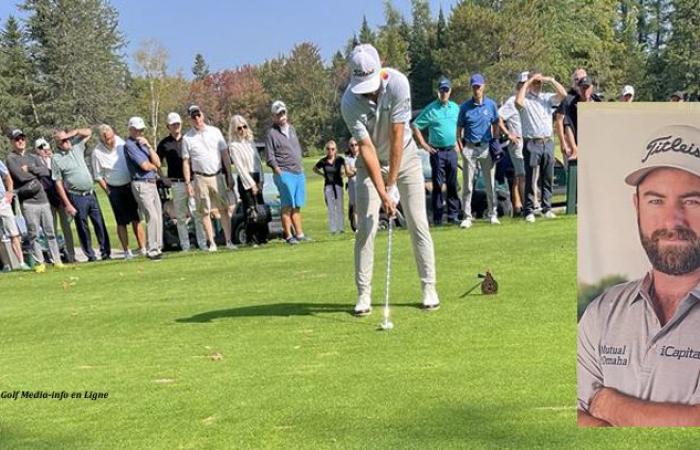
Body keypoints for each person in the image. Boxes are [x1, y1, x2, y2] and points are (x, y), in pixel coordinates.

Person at [578, 124, 700, 427]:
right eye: (655, 200)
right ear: (637, 207)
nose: (672, 220)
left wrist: (613, 406)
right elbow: (574, 416)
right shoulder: (604, 311)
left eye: (693, 201)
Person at [340, 43, 439, 315]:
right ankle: (364, 295)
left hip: (405, 158)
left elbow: (398, 135)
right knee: (366, 228)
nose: (369, 91)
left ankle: (429, 287)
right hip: (369, 165)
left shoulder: (398, 84)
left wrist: (392, 184)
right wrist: (384, 192)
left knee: (418, 222)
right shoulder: (349, 101)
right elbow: (367, 149)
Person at [6, 129, 64, 271]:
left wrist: (30, 168)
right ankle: (40, 263)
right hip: (28, 202)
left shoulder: (33, 157)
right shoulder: (11, 159)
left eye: (22, 139)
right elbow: (20, 177)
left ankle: (57, 260)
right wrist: (35, 177)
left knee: (50, 232)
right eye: (17, 139)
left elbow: (45, 172)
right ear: (12, 142)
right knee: (34, 234)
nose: (20, 141)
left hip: (43, 200)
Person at [515, 70, 568, 223]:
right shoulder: (524, 98)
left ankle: (547, 208)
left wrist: (550, 79)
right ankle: (529, 210)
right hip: (532, 142)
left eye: (539, 83)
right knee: (531, 178)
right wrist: (528, 82)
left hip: (548, 141)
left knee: (548, 177)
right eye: (535, 83)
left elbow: (563, 95)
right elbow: (518, 103)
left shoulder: (546, 98)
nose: (537, 85)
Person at [182, 105, 236, 252]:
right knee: (204, 211)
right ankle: (212, 243)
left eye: (198, 115)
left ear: (202, 115)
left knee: (224, 208)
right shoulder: (187, 138)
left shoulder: (215, 132)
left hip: (217, 175)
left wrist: (229, 175)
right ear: (190, 119)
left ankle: (229, 241)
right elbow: (186, 162)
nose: (197, 119)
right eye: (194, 117)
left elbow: (225, 154)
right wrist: (188, 183)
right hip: (200, 178)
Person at [52, 127, 111, 262]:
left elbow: (89, 132)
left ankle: (105, 252)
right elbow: (58, 183)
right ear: (57, 143)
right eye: (61, 141)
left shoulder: (76, 146)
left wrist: (72, 133)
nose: (65, 142)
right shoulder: (56, 158)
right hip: (76, 196)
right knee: (83, 227)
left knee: (99, 223)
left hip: (91, 194)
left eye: (66, 139)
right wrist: (67, 204)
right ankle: (90, 255)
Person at [412, 76, 461, 226]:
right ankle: (438, 216)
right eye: (441, 90)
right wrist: (425, 145)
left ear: (450, 91)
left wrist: (459, 143)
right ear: (438, 92)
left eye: (446, 90)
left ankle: (453, 215)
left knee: (453, 184)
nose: (444, 93)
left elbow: (461, 126)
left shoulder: (455, 107)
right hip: (437, 152)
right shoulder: (431, 109)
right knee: (438, 185)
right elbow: (415, 125)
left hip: (452, 150)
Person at [92, 124, 146, 260]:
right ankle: (127, 251)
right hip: (114, 188)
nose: (110, 141)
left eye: (110, 137)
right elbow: (98, 176)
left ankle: (143, 248)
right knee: (121, 222)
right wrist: (108, 190)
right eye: (106, 139)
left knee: (136, 218)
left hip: (129, 184)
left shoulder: (122, 144)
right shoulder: (97, 152)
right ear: (101, 139)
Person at [157, 112, 207, 252]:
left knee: (196, 213)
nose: (176, 126)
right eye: (173, 125)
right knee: (180, 216)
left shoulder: (188, 139)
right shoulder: (164, 144)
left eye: (178, 124)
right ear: (168, 126)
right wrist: (162, 177)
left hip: (191, 181)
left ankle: (202, 243)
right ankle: (185, 246)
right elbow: (156, 162)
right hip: (176, 183)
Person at [456, 73, 501, 227]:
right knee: (468, 185)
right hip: (470, 147)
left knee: (490, 184)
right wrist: (461, 147)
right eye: (474, 87)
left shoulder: (491, 105)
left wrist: (495, 139)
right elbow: (459, 128)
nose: (476, 90)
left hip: (486, 147)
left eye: (479, 87)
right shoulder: (465, 107)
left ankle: (492, 213)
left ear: (483, 87)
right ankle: (467, 216)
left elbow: (496, 122)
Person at [265, 100, 310, 245]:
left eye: (283, 113)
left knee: (297, 205)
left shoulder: (292, 129)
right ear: (274, 116)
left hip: (298, 172)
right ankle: (289, 236)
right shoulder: (271, 133)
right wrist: (279, 172)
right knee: (287, 206)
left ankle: (300, 234)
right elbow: (270, 157)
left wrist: (301, 166)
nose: (282, 116)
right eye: (279, 114)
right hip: (284, 173)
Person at [123, 117, 163, 261]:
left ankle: (158, 247)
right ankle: (152, 249)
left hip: (152, 182)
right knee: (151, 215)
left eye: (141, 130)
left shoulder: (144, 143)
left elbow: (157, 162)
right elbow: (145, 166)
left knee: (158, 215)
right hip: (141, 183)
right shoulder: (130, 145)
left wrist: (150, 147)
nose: (139, 132)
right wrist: (152, 166)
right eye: (137, 130)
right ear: (131, 129)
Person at [228, 114, 269, 246]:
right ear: (235, 130)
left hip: (256, 176)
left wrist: (261, 180)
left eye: (244, 127)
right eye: (239, 128)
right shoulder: (233, 146)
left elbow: (258, 162)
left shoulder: (250, 142)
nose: (243, 130)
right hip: (246, 180)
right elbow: (240, 168)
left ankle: (262, 237)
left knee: (261, 208)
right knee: (251, 210)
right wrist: (251, 184)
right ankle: (251, 239)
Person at [34, 137, 75, 263]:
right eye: (41, 148)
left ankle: (71, 256)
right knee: (51, 230)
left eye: (46, 148)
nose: (45, 151)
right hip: (47, 200)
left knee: (66, 228)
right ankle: (55, 257)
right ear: (37, 150)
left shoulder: (55, 160)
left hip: (61, 199)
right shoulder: (36, 162)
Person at [498, 72, 529, 216]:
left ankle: (522, 206)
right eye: (523, 84)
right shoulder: (512, 101)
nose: (526, 86)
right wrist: (508, 134)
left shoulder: (531, 100)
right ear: (519, 85)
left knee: (523, 175)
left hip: (530, 142)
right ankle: (524, 208)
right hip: (518, 143)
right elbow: (498, 117)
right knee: (521, 175)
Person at [0, 158, 31, 271]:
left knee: (14, 234)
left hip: (2, 201)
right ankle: (6, 265)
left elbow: (7, 177)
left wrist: (10, 192)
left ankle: (21, 263)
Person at [313, 140, 350, 234]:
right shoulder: (323, 161)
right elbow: (315, 168)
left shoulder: (340, 159)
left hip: (338, 185)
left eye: (332, 149)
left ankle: (341, 228)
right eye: (328, 149)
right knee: (331, 208)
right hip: (328, 186)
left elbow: (345, 169)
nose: (330, 151)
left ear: (335, 150)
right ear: (326, 150)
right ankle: (333, 229)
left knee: (340, 207)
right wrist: (322, 174)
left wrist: (343, 172)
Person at [345, 138, 359, 232]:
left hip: (363, 184)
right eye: (352, 145)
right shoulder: (347, 159)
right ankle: (357, 227)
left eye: (355, 144)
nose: (354, 147)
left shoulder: (363, 156)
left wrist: (354, 169)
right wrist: (357, 170)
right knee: (355, 206)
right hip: (353, 185)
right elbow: (348, 173)